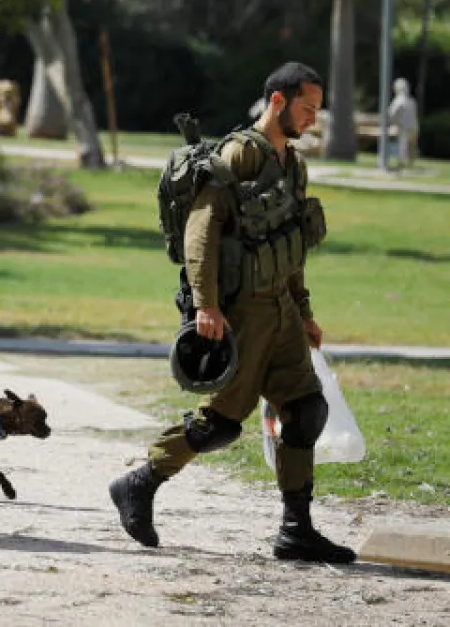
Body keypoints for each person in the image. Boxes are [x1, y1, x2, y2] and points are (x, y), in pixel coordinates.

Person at [109, 62, 355, 564]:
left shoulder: (294, 165)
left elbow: (290, 246)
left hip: (282, 311)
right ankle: (139, 481)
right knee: (220, 422)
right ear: (279, 102)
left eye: (317, 110)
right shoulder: (237, 154)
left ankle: (296, 530)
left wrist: (304, 310)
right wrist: (206, 304)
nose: (313, 119)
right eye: (307, 108)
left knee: (306, 409)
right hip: (241, 312)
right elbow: (201, 231)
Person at [386, 77, 420, 170]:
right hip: (414, 127)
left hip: (404, 127)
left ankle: (403, 163)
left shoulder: (398, 101)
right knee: (411, 147)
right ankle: (410, 164)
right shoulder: (411, 101)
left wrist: (392, 122)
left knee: (403, 146)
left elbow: (391, 114)